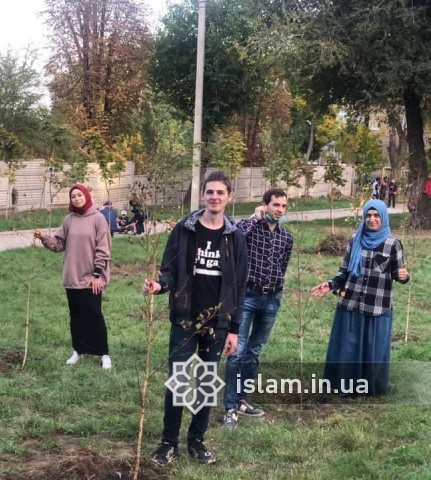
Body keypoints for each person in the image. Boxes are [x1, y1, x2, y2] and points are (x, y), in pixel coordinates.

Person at [142, 170, 247, 466]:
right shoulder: (184, 229)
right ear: (203, 194)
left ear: (229, 197)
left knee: (204, 383)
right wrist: (159, 285)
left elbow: (239, 285)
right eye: (210, 191)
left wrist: (234, 329)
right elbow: (169, 269)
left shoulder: (235, 237)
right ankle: (168, 443)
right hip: (185, 319)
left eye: (220, 192)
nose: (214, 197)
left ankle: (197, 441)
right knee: (177, 381)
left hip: (217, 324)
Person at [310, 200, 409, 396]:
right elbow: (344, 272)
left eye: (376, 216)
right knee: (349, 347)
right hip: (351, 303)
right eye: (368, 216)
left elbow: (400, 274)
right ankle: (345, 386)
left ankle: (369, 387)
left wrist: (405, 277)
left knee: (373, 349)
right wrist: (330, 284)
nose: (372, 220)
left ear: (383, 217)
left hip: (377, 306)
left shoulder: (393, 244)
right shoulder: (355, 239)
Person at [222, 188, 293, 428]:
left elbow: (282, 266)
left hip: (271, 299)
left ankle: (242, 400)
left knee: (254, 351)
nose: (279, 210)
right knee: (237, 351)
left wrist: (276, 289)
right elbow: (235, 235)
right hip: (247, 297)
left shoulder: (286, 237)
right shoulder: (251, 228)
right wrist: (254, 218)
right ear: (266, 205)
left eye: (283, 206)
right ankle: (229, 407)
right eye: (276, 205)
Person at [35, 183, 113, 369]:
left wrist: (96, 275)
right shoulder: (69, 220)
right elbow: (59, 244)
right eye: (73, 196)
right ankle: (78, 350)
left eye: (80, 195)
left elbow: (103, 249)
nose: (77, 198)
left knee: (94, 315)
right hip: (73, 277)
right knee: (76, 316)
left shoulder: (98, 219)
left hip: (91, 278)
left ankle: (103, 353)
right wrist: (44, 238)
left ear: (86, 195)